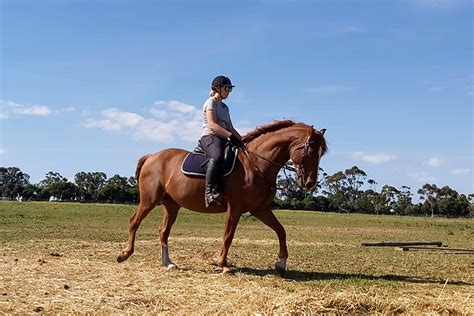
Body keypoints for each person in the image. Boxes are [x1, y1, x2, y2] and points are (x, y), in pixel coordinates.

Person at [200, 75, 245, 207]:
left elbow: (230, 127)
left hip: (224, 137)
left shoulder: (225, 108)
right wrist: (229, 136)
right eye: (227, 88)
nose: (229, 92)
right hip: (210, 137)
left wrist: (243, 140)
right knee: (217, 156)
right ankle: (208, 194)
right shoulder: (210, 102)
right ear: (218, 88)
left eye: (230, 89)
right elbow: (212, 125)